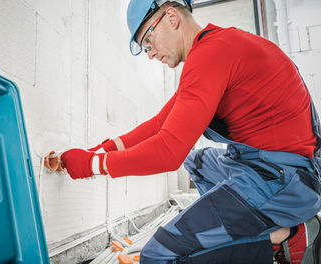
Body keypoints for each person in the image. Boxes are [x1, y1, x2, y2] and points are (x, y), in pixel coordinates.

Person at [45, 0, 321, 263]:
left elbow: (167, 153)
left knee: (160, 256)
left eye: (148, 42)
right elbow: (158, 125)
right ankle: (233, 233)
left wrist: (92, 165)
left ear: (171, 17)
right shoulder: (216, 47)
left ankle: (286, 239)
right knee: (197, 162)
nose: (150, 54)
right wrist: (99, 149)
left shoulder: (213, 53)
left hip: (284, 180)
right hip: (273, 167)